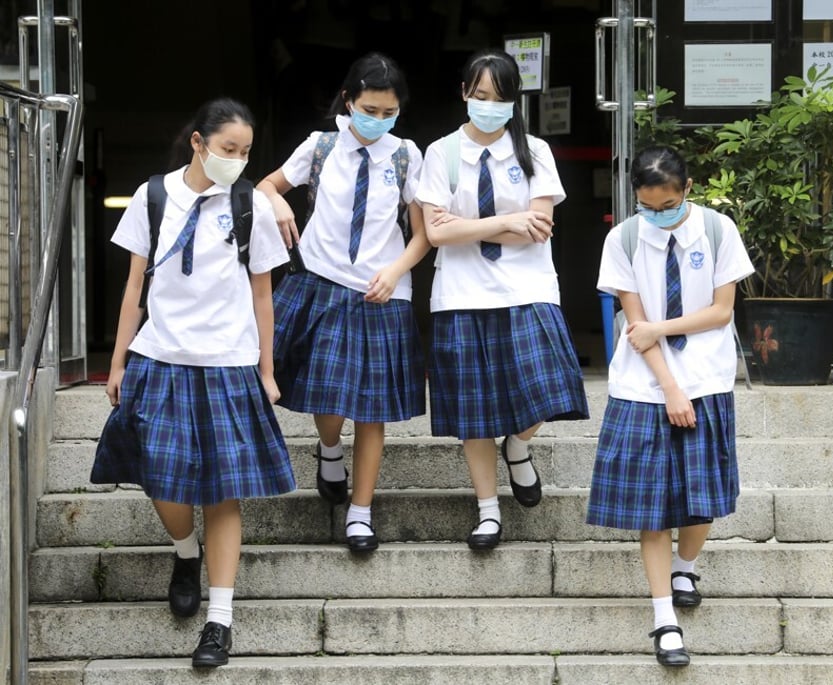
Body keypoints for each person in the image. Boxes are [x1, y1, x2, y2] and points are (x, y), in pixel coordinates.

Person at [91, 98, 295, 668]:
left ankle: (219, 622)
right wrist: (118, 362)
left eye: (247, 151)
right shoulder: (154, 196)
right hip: (161, 356)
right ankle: (186, 553)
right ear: (199, 144)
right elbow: (134, 287)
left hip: (228, 361)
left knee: (223, 494)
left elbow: (262, 293)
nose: (238, 160)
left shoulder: (250, 203)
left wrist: (267, 368)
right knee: (163, 479)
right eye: (229, 149)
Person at [587, 146, 754, 667]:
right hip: (644, 386)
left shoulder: (719, 230)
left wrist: (663, 330)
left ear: (686, 190)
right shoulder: (624, 239)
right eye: (646, 206)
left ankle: (686, 566)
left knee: (701, 500)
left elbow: (721, 311)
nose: (657, 216)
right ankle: (664, 618)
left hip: (706, 376)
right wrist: (669, 388)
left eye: (665, 205)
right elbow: (636, 329)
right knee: (653, 509)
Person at [416, 49, 589, 550]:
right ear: (464, 94)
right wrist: (504, 222)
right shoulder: (441, 153)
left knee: (549, 384)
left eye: (499, 97)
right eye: (480, 95)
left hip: (528, 289)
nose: (488, 104)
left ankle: (518, 445)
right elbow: (435, 232)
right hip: (460, 295)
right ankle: (487, 510)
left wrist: (469, 226)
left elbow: (538, 229)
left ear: (515, 100)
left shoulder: (534, 151)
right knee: (474, 413)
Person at [257, 53, 429, 554]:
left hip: (383, 292)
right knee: (331, 399)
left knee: (371, 412)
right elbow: (268, 183)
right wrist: (276, 200)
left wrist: (395, 272)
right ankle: (329, 449)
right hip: (323, 282)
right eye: (369, 108)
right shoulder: (320, 147)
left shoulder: (405, 156)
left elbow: (424, 234)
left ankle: (361, 512)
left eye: (388, 112)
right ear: (348, 100)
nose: (378, 120)